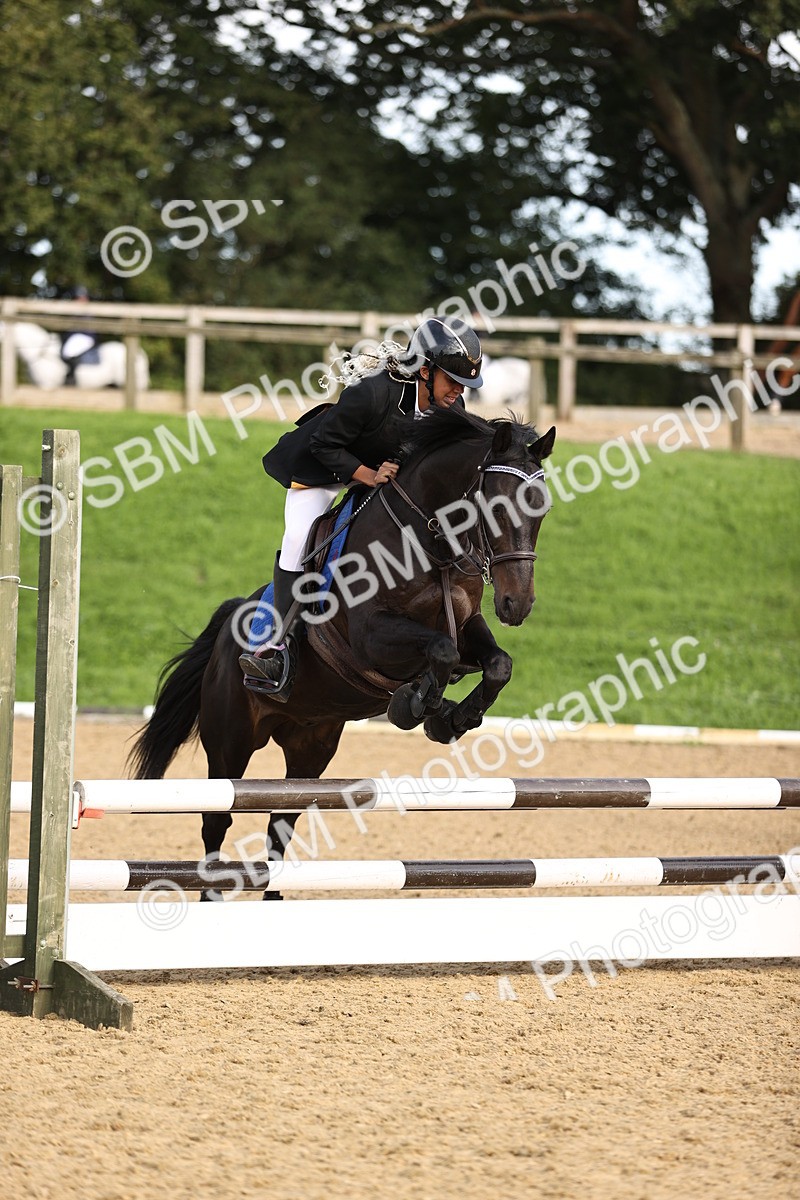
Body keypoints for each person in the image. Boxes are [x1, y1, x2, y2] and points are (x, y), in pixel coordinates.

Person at [239, 316, 484, 699]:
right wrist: (367, 475)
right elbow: (323, 444)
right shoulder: (373, 394)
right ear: (424, 370)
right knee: (299, 541)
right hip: (323, 468)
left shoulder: (448, 406)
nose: (458, 391)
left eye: (464, 384)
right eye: (452, 380)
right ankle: (269, 645)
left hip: (380, 477)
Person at [60, 285, 100, 385]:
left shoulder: (88, 311)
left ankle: (71, 377)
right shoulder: (73, 311)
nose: (81, 300)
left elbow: (88, 330)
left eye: (83, 297)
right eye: (78, 298)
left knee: (70, 350)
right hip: (76, 337)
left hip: (86, 337)